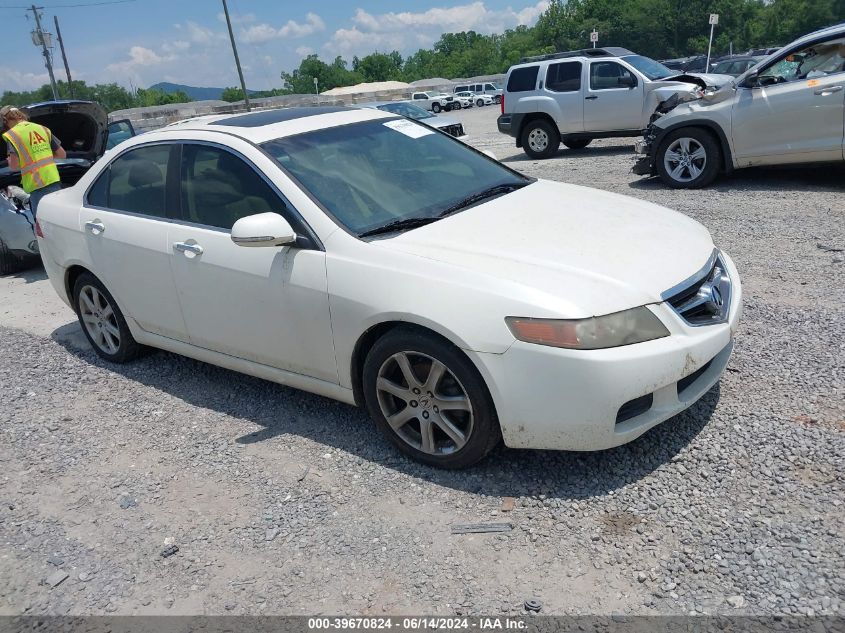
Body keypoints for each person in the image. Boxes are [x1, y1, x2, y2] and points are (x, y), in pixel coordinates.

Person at [1, 105, 65, 217]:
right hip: (54, 181)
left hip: (37, 187)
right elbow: (62, 154)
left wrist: (10, 160)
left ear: (5, 120)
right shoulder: (42, 128)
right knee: (58, 219)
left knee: (43, 227)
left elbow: (14, 166)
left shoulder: (12, 135)